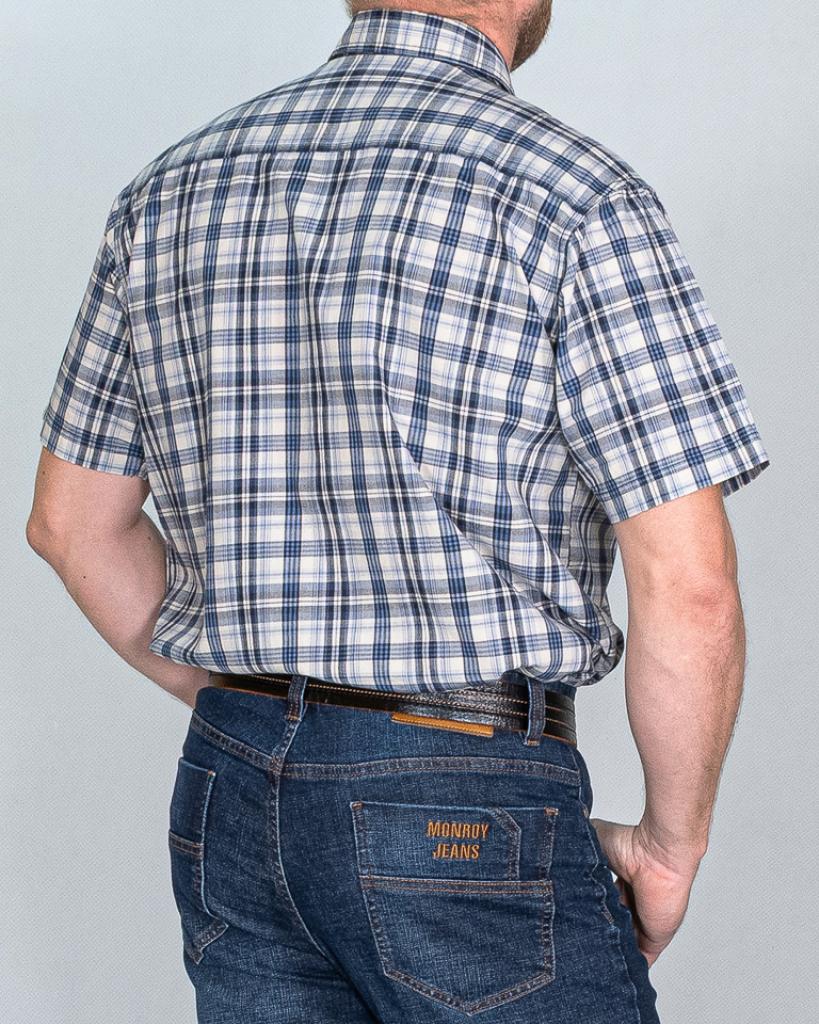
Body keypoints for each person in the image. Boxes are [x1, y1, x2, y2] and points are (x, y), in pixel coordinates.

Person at [26, 2, 770, 1021]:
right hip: (460, 788)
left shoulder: (170, 189)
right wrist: (670, 846)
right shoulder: (572, 196)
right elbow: (688, 583)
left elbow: (72, 525)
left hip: (233, 788)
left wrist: (267, 707)